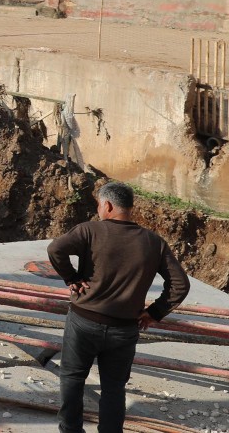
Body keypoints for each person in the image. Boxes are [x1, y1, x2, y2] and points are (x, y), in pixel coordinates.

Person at [47, 181, 190, 433]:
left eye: (99, 205)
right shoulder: (154, 242)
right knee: (113, 388)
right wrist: (154, 313)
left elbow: (55, 248)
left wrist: (71, 278)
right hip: (125, 329)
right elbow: (180, 284)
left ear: (108, 205)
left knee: (72, 377)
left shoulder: (89, 231)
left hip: (83, 322)